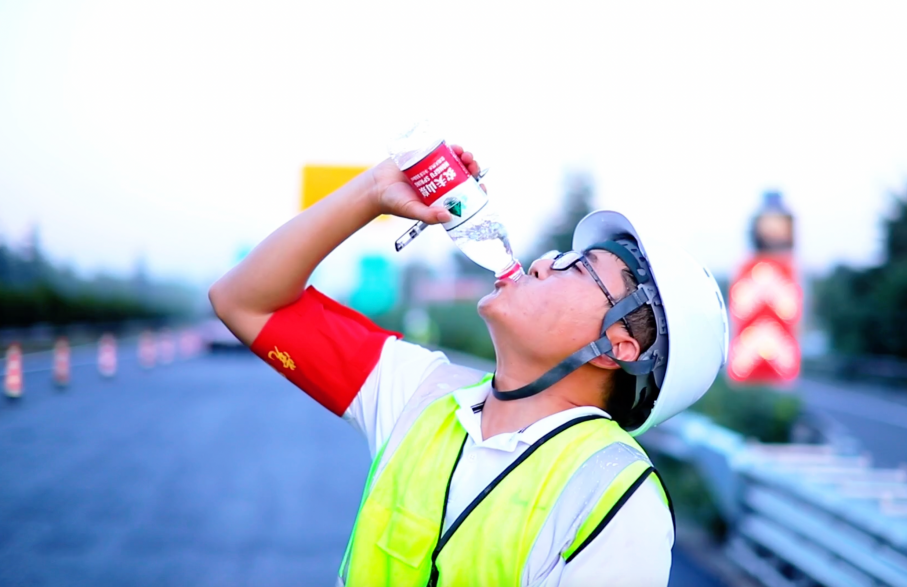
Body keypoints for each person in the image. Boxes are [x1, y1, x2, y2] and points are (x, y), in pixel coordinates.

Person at [209, 146, 729, 587]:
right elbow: (244, 300)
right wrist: (374, 191)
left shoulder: (616, 495)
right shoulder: (422, 392)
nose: (543, 263)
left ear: (619, 347)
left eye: (579, 267)